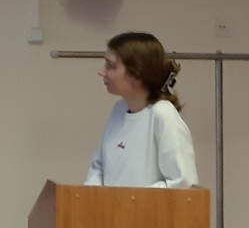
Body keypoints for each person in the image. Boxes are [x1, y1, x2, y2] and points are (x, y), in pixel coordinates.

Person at [85, 31, 198, 188]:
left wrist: (129, 199)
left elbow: (182, 183)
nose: (102, 72)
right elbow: (98, 168)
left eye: (110, 66)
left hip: (143, 205)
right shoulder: (119, 110)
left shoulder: (162, 113)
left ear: (137, 74)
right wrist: (94, 195)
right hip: (111, 205)